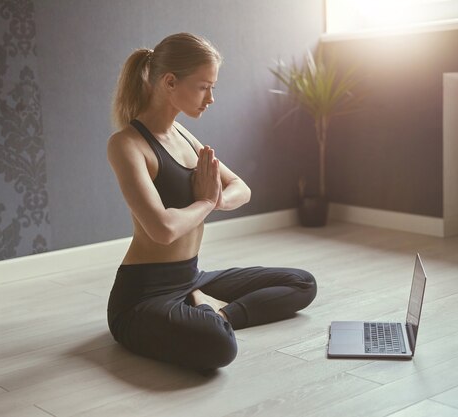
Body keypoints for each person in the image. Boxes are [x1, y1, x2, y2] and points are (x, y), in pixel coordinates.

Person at [106, 33, 317, 371]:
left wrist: (214, 200)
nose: (211, 98)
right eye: (204, 87)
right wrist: (205, 201)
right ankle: (205, 312)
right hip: (143, 296)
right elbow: (162, 229)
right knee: (219, 347)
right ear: (170, 82)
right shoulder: (126, 145)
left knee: (302, 283)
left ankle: (212, 310)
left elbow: (241, 188)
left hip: (191, 277)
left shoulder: (184, 135)